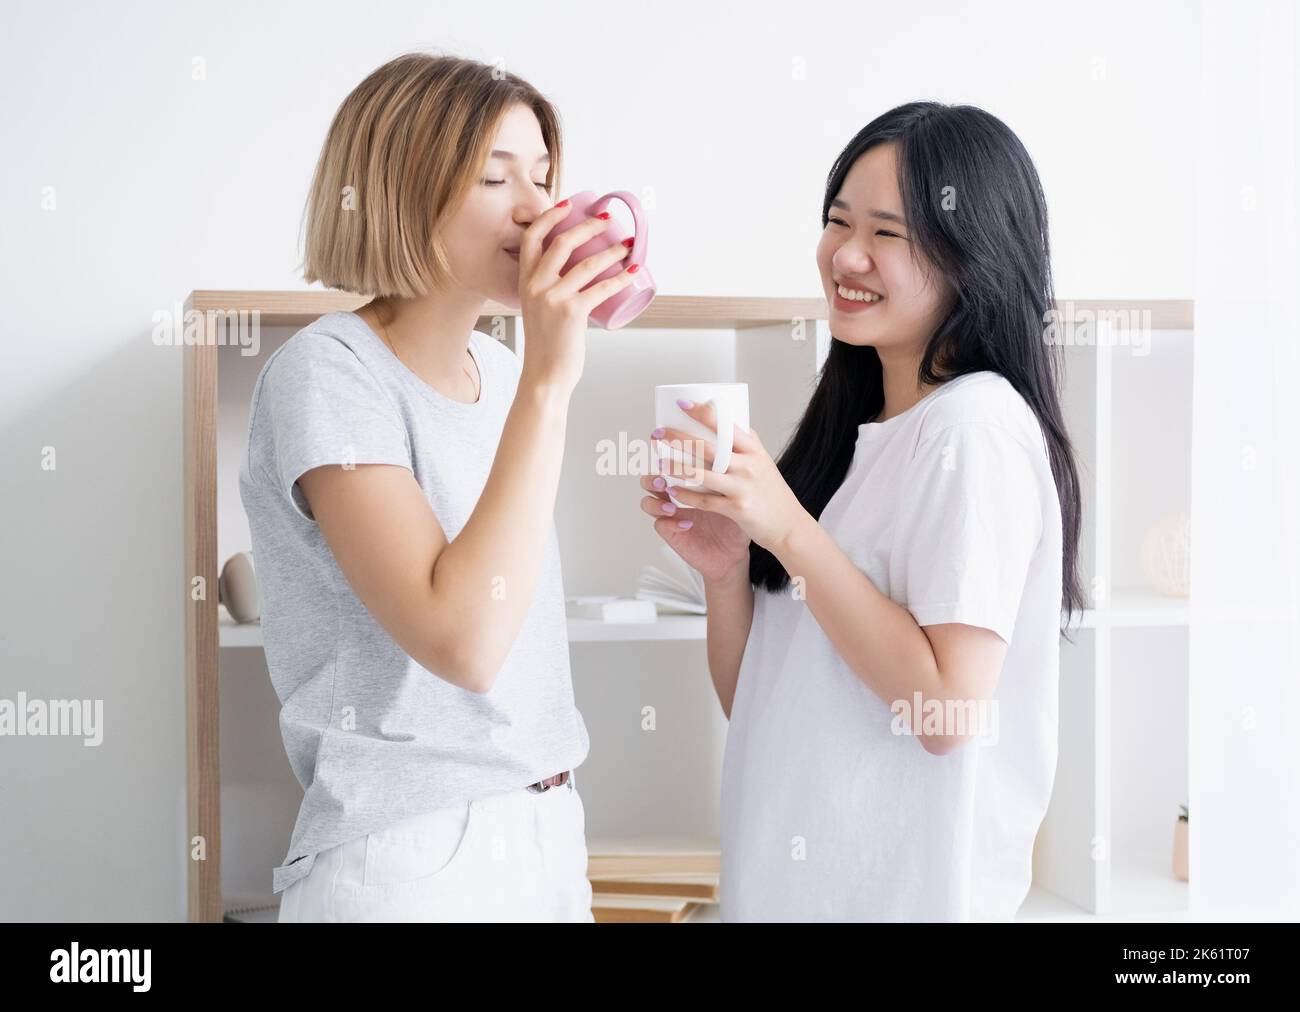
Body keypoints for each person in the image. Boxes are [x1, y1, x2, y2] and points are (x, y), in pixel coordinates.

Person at [638, 102, 1083, 921]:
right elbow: (763, 704)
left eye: (888, 232)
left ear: (974, 254)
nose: (846, 254)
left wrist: (787, 529)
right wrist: (729, 567)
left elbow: (946, 711)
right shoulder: (862, 431)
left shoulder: (972, 429)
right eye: (839, 221)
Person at [239, 52, 637, 921]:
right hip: (413, 852)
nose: (537, 207)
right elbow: (463, 638)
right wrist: (551, 382)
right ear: (402, 191)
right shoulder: (330, 372)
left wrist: (534, 379)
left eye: (542, 174)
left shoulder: (498, 372)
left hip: (547, 827)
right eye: (495, 177)